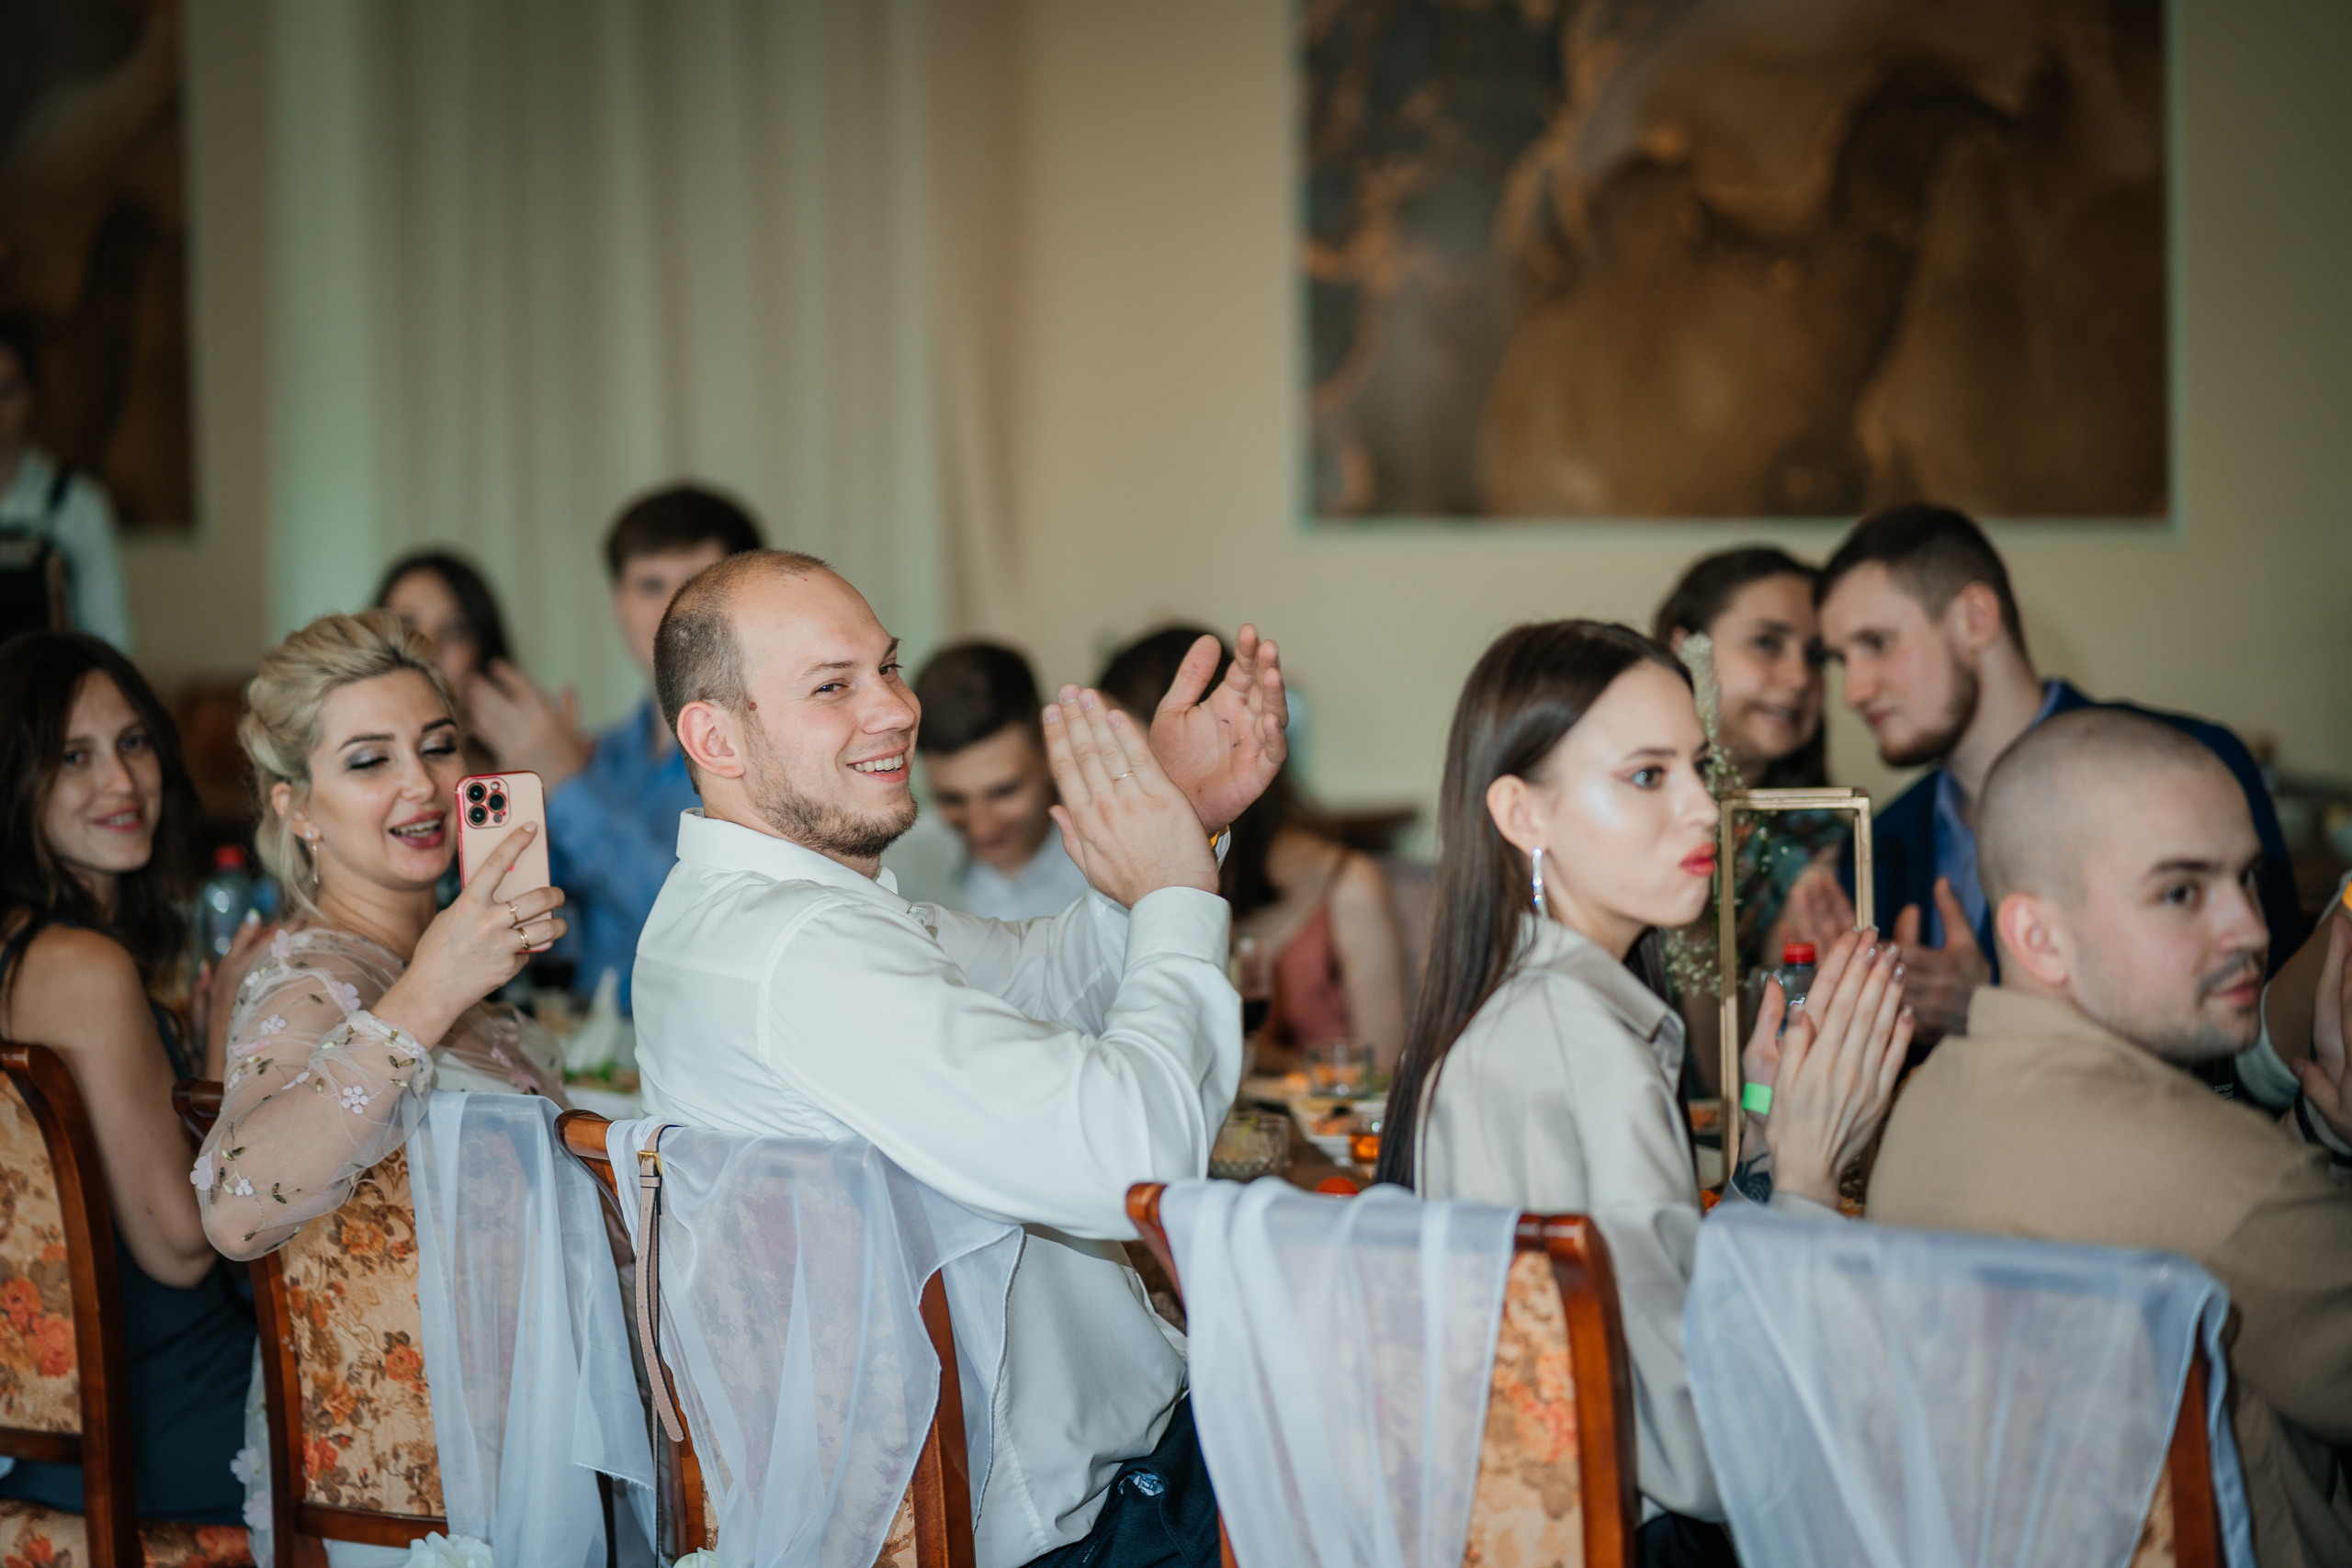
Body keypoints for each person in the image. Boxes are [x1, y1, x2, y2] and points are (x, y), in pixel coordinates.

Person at [631, 552, 1287, 1568]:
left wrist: (1181, 823)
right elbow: (1132, 1165)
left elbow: (1043, 974)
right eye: (831, 687)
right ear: (715, 737)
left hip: (1078, 1482)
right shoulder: (800, 953)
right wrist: (1177, 898)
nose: (896, 709)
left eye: (887, 668)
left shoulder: (758, 916)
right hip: (1080, 1522)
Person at [1374, 619, 1914, 1568]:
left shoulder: (1513, 1009)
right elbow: (1709, 1450)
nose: (1707, 810)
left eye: (1700, 770)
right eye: (1647, 776)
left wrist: (1757, 1142)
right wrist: (1807, 1178)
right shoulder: (1579, 1045)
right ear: (1522, 813)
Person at [1867, 708, 2351, 1568]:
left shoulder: (1931, 1098)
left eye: (2246, 878)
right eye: (2180, 892)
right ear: (2038, 937)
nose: (2249, 927)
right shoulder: (2216, 1169)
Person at [1810, 503, 2303, 1053]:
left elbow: (2275, 1002)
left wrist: (1991, 1006)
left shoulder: (2194, 765)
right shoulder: (1880, 845)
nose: (1853, 691)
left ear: (1975, 617)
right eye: (1841, 659)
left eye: (1876, 643)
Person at [0, 633, 251, 1522]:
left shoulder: (28, 952)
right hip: (157, 1419)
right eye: (74, 757)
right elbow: (181, 1250)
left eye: (134, 742)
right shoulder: (79, 968)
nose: (122, 781)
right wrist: (223, 1051)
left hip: (71, 1427)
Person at [462, 484, 763, 1011]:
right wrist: (518, 793)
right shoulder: (597, 755)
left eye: (697, 583)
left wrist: (565, 787)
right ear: (618, 604)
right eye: (649, 585)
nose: (673, 608)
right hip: (591, 1067)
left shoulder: (773, 754)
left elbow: (706, 921)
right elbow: (536, 929)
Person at [1101, 626, 1409, 1072]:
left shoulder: (1349, 886)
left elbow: (1384, 1077)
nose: (1124, 785)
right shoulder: (1134, 882)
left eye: (1134, 761)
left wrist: (1257, 1059)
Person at [909, 640, 1089, 920]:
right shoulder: (899, 871)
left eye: (1004, 791)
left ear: (1050, 751)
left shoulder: (1122, 864)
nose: (982, 828)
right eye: (952, 799)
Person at [0, 319, 134, 652]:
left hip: (48, 701)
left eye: (6, 391)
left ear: (31, 395)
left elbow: (111, 645)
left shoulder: (76, 505)